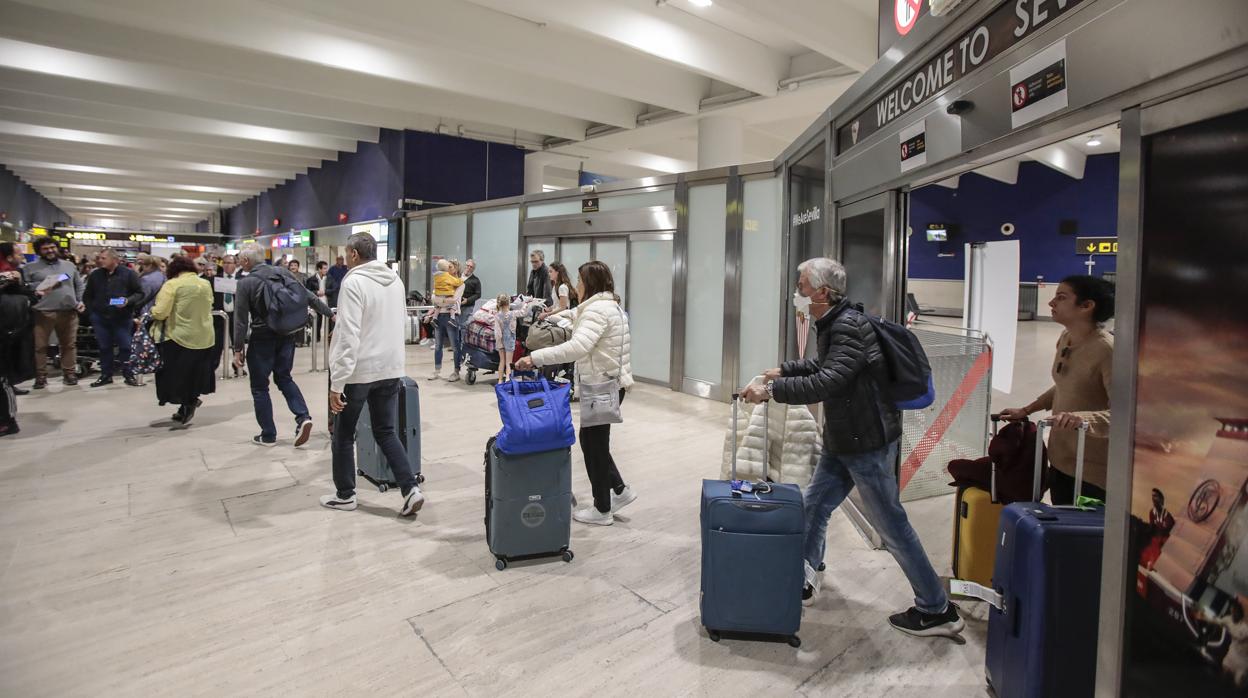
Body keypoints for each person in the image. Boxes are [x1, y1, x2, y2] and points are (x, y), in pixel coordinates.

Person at [741, 257, 963, 639]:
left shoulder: (846, 326)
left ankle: (936, 608)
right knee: (815, 506)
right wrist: (787, 369)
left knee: (892, 526)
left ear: (823, 292)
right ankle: (804, 578)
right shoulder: (836, 322)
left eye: (803, 286)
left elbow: (828, 381)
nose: (798, 292)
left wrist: (772, 390)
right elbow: (829, 366)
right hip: (846, 439)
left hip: (866, 443)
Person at [517, 261, 636, 526]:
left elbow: (577, 347)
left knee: (593, 445)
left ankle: (602, 509)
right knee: (594, 442)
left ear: (590, 284)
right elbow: (577, 316)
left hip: (602, 386)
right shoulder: (608, 306)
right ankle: (619, 490)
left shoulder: (597, 311)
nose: (577, 286)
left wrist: (535, 358)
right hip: (611, 384)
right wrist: (555, 316)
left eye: (581, 282)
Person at [320, 232, 425, 516]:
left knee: (343, 434)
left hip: (358, 372)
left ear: (354, 254)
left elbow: (347, 334)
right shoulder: (396, 281)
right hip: (391, 369)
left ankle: (345, 494)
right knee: (386, 431)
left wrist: (337, 382)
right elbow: (399, 322)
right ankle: (410, 488)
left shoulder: (353, 282)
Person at [1000, 275, 1114, 505]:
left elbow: (1126, 414)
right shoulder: (1066, 338)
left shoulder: (1106, 351)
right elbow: (1066, 386)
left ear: (1087, 306)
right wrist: (1027, 409)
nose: (1052, 303)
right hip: (1061, 459)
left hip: (1091, 470)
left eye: (1061, 298)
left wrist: (1082, 420)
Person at [232, 243, 332, 447]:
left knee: (260, 387)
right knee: (284, 377)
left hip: (262, 338)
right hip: (287, 334)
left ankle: (268, 434)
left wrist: (237, 349)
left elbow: (241, 320)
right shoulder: (281, 272)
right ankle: (303, 417)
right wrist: (330, 314)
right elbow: (308, 296)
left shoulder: (245, 283)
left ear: (245, 261)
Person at [149, 255, 216, 426]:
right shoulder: (205, 284)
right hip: (204, 337)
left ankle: (187, 404)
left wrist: (151, 312)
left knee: (174, 377)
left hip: (178, 337)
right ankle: (187, 404)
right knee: (193, 376)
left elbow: (161, 312)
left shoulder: (172, 285)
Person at [22, 237, 85, 389]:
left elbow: (78, 285)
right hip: (43, 312)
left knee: (68, 345)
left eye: (52, 247)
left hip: (68, 311)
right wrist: (44, 284)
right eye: (45, 249)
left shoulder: (69, 265)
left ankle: (69, 373)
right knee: (40, 346)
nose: (50, 251)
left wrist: (80, 300)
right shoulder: (30, 268)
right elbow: (25, 288)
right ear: (39, 251)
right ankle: (41, 376)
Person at [82, 248, 145, 388]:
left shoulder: (129, 274)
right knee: (104, 347)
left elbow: (140, 293)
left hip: (122, 318)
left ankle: (128, 374)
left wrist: (128, 301)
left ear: (114, 259)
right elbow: (87, 295)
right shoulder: (95, 275)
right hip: (100, 318)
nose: (100, 260)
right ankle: (106, 375)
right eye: (100, 258)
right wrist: (92, 313)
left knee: (125, 347)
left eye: (103, 258)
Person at [1, 246, 36, 436]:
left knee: (2, 379)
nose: (22, 255)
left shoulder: (13, 275)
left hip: (8, 332)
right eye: (18, 253)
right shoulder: (8, 276)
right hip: (9, 329)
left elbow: (26, 296)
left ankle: (7, 421)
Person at [428, 258, 465, 382]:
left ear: (455, 269)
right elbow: (434, 297)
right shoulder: (441, 280)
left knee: (455, 346)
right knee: (438, 345)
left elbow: (454, 300)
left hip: (451, 316)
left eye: (451, 267)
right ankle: (437, 370)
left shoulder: (460, 284)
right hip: (440, 316)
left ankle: (456, 371)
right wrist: (442, 301)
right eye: (447, 266)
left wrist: (441, 301)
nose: (448, 269)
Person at [215, 254, 244, 376]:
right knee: (217, 343)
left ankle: (238, 366)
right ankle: (213, 365)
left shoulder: (240, 279)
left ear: (235, 265)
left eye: (229, 263)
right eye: (224, 263)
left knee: (238, 342)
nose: (226, 265)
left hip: (236, 315)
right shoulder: (216, 279)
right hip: (220, 315)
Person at [305, 260, 339, 343]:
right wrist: (316, 292)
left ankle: (330, 337)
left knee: (330, 320)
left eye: (326, 268)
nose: (326, 270)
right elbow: (307, 291)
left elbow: (334, 288)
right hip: (317, 303)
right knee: (317, 321)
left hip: (328, 301)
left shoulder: (330, 278)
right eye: (324, 268)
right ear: (319, 269)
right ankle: (317, 337)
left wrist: (325, 291)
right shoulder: (311, 279)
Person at [493, 294, 517, 382]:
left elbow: (497, 332)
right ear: (509, 303)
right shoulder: (512, 314)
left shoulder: (497, 316)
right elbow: (513, 328)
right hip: (509, 339)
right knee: (509, 362)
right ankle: (507, 379)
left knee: (501, 361)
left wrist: (499, 341)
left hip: (500, 341)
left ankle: (499, 380)